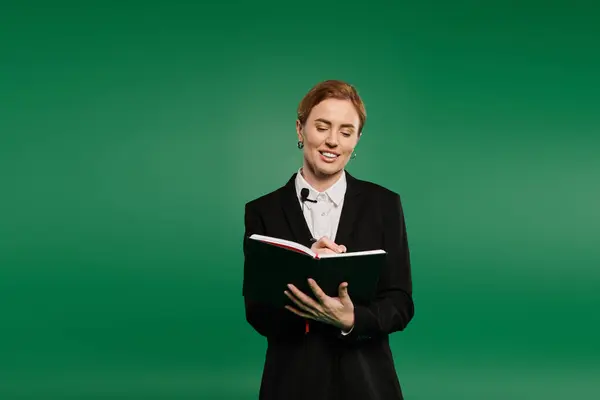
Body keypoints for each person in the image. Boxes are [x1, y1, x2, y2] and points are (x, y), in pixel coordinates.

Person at [242, 79, 414, 400]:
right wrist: (308, 277)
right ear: (300, 129)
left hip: (368, 385)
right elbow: (257, 312)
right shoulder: (262, 211)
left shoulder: (384, 205)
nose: (332, 141)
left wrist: (351, 318)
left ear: (357, 140)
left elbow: (401, 302)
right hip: (291, 385)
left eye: (346, 132)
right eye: (322, 127)